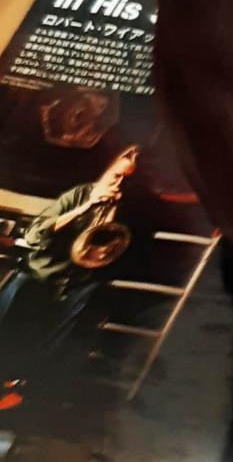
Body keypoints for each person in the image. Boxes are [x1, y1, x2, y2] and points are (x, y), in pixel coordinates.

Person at [0, 145, 138, 364]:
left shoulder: (128, 209)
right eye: (116, 176)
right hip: (43, 270)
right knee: (16, 301)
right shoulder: (79, 195)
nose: (119, 184)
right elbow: (35, 235)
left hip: (79, 281)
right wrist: (86, 207)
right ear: (107, 171)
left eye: (127, 181)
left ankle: (37, 374)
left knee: (78, 320)